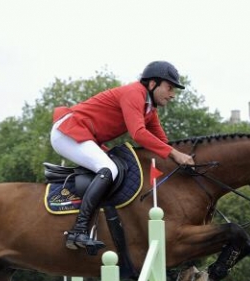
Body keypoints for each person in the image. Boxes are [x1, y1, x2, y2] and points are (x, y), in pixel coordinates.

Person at [50, 61, 195, 251]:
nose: (173, 94)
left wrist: (184, 159)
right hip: (68, 131)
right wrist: (175, 154)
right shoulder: (134, 93)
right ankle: (78, 230)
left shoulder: (149, 110)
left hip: (85, 136)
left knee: (114, 169)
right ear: (153, 84)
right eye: (169, 87)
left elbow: (162, 143)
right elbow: (138, 134)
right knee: (109, 169)